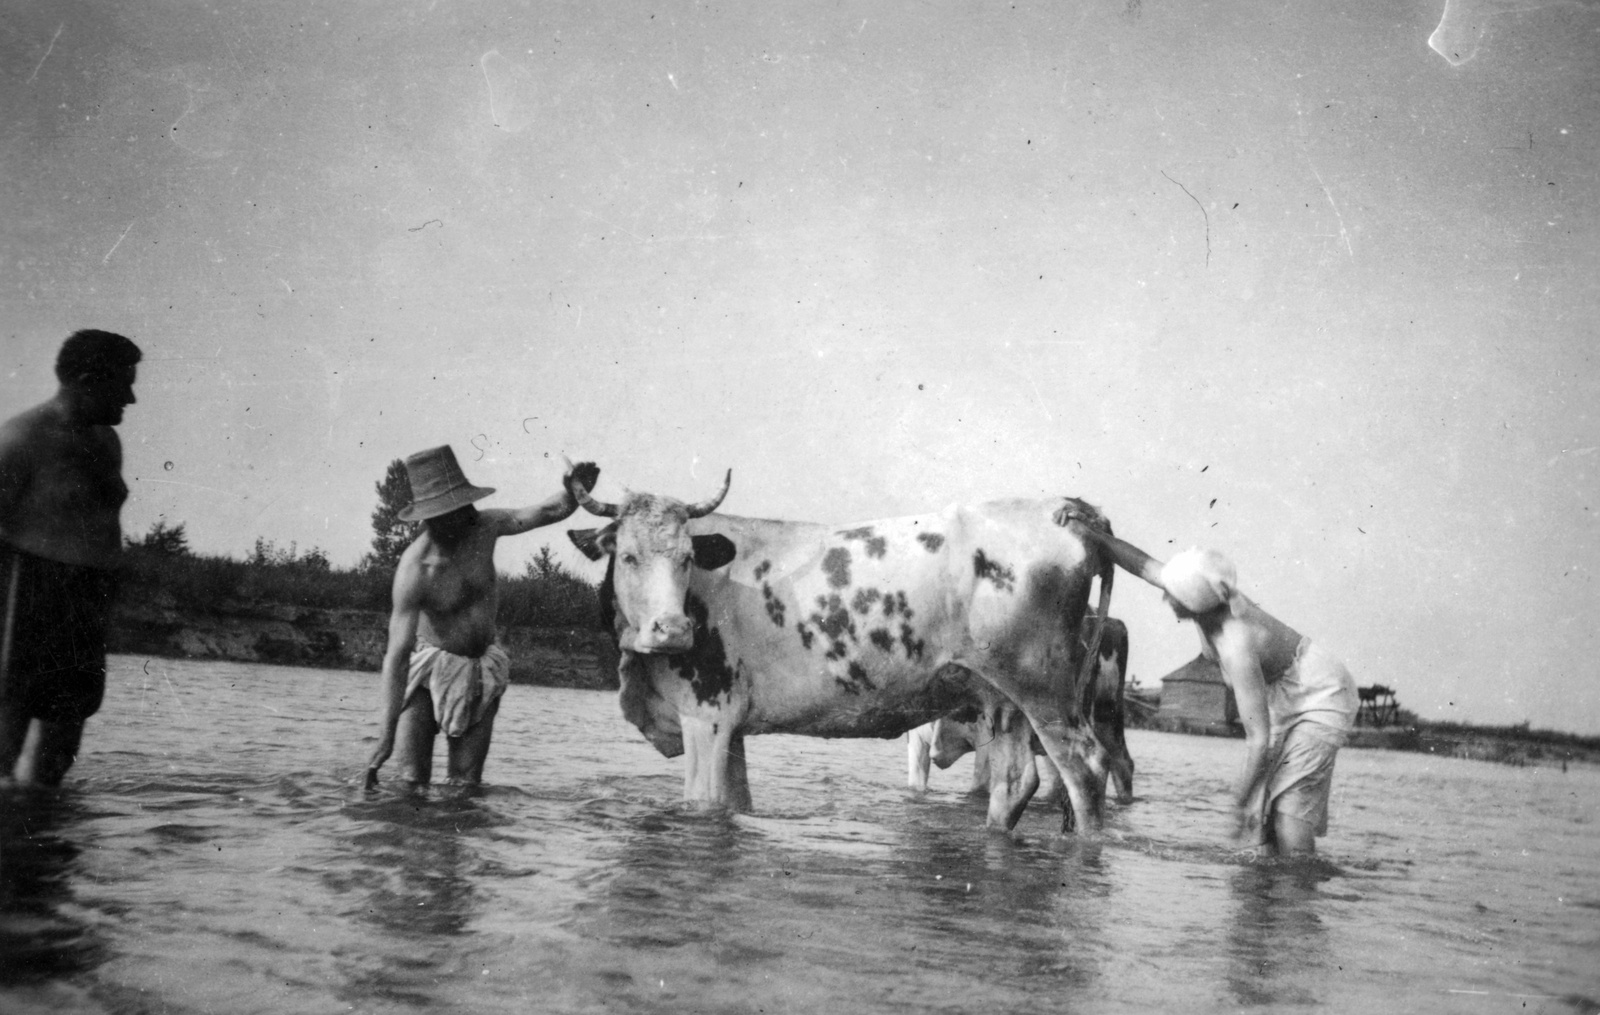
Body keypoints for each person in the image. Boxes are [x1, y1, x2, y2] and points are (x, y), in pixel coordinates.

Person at [1055, 505, 1357, 855]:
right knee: (1259, 826)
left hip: (1320, 695)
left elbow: (1259, 739)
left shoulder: (1236, 643)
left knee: (1289, 814)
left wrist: (1239, 802)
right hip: (1281, 688)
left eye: (1171, 593)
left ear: (1192, 603)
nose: (1164, 595)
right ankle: (1266, 896)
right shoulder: (1204, 593)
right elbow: (1141, 564)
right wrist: (1091, 534)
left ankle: (1297, 888)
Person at [364, 446, 599, 788]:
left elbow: (546, 511)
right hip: (427, 675)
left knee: (465, 786)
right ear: (431, 516)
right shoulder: (416, 569)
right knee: (410, 783)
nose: (462, 516)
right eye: (450, 511)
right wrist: (385, 733)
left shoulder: (485, 527)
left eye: (463, 506)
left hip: (480, 671)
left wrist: (574, 491)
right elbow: (397, 656)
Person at [0, 330, 142, 787]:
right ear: (86, 380)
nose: (132, 398)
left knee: (58, 755)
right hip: (26, 594)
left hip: (84, 599)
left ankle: (45, 848)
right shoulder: (21, 440)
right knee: (4, 744)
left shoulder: (106, 442)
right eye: (123, 384)